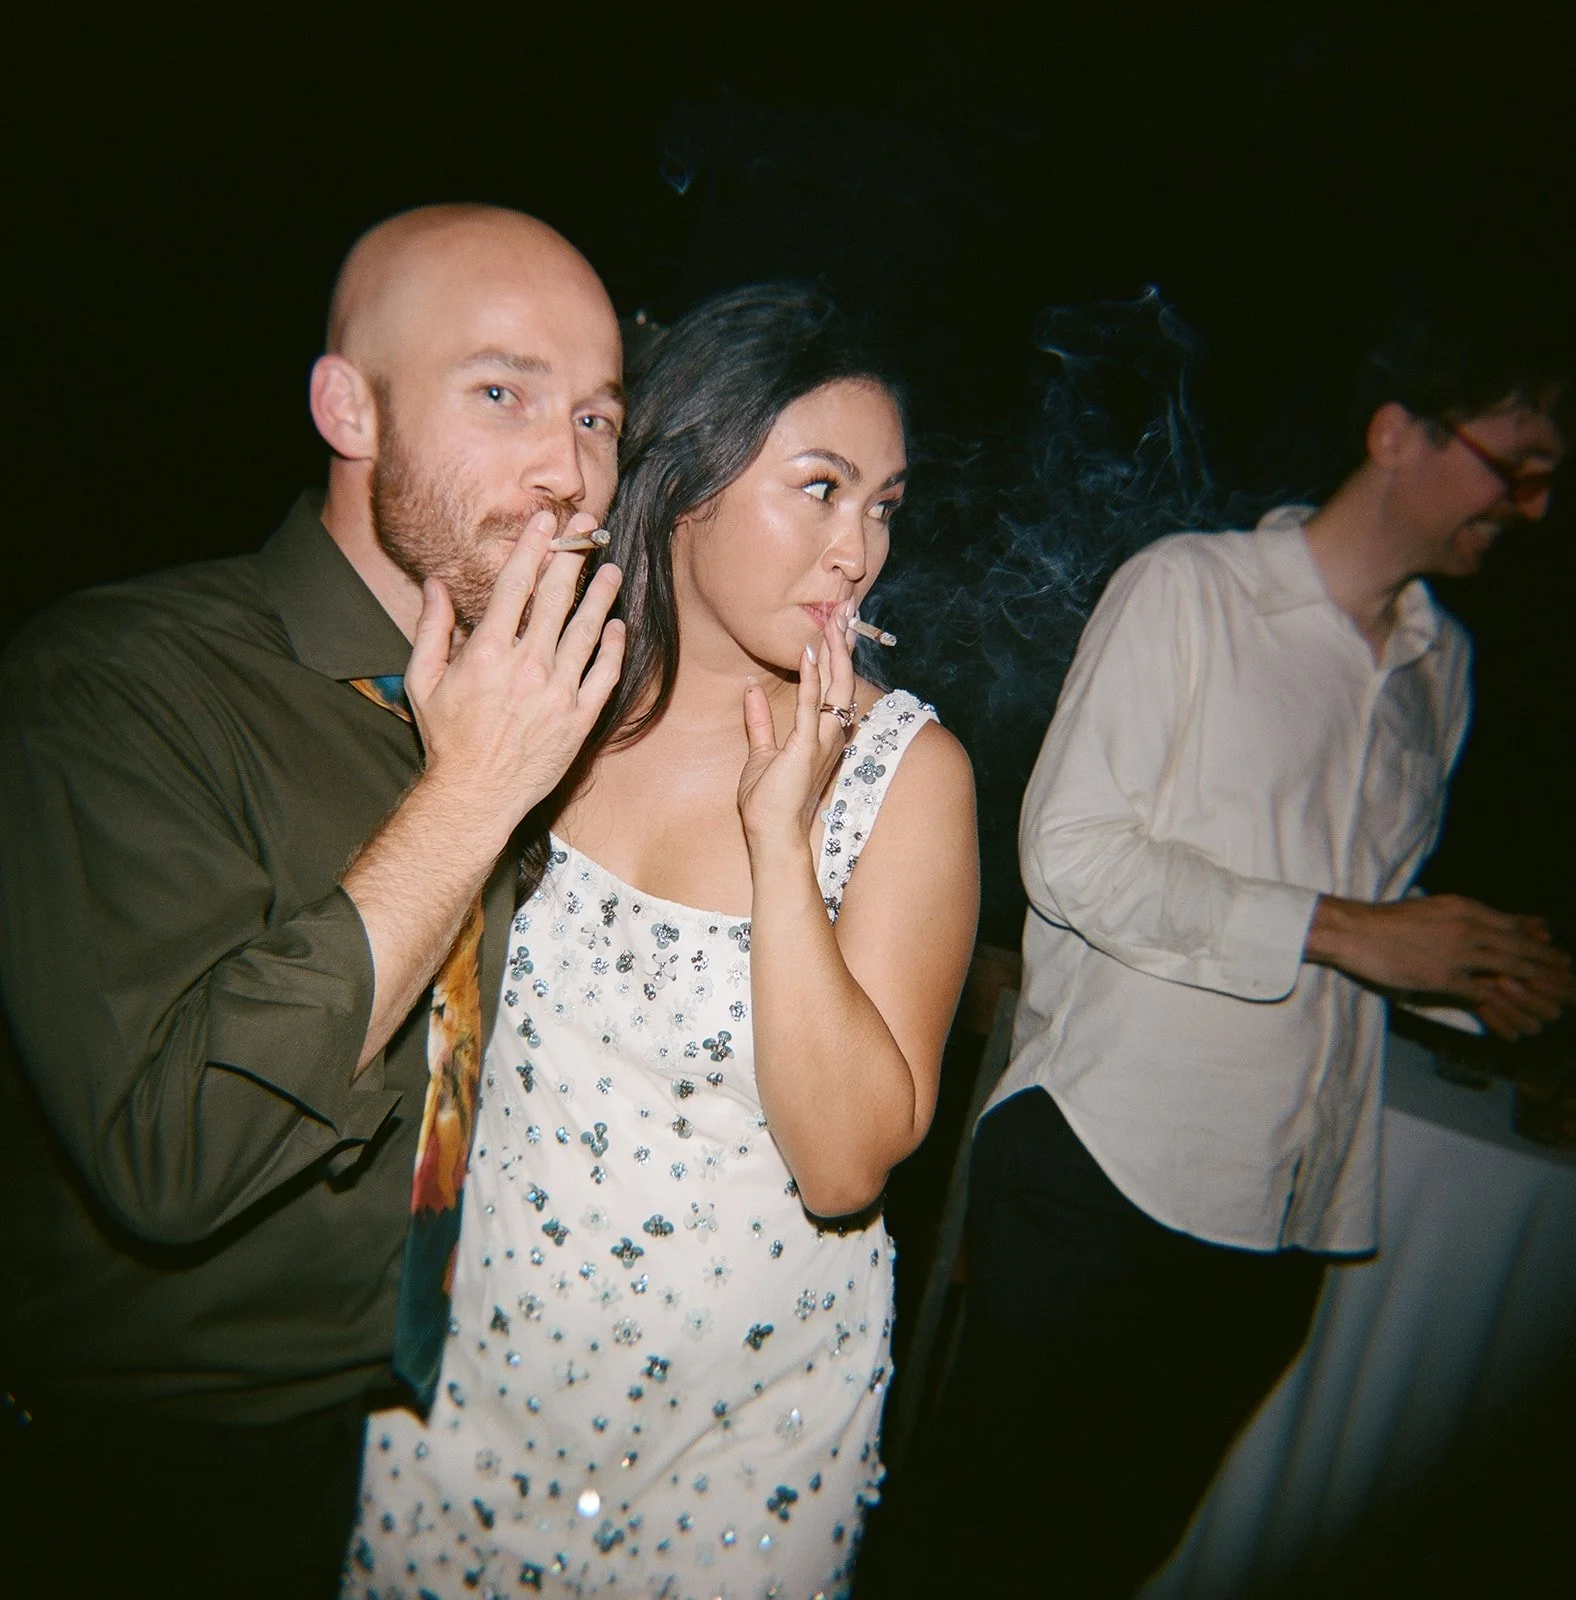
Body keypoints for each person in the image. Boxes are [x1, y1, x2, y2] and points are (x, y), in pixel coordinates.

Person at [0, 204, 629, 1599]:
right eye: (499, 392)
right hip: (152, 1467)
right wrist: (465, 805)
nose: (568, 471)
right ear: (350, 407)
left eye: (596, 415)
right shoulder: (115, 680)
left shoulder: (549, 707)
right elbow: (170, 1155)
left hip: (445, 1432)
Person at [901, 308, 1575, 1598]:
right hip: (1111, 1170)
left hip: (1295, 1211)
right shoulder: (1192, 590)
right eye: (1518, 463)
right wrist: (1357, 930)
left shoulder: (1445, 668)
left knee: (1106, 1567)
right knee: (978, 1559)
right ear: (1399, 434)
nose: (1537, 507)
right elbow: (1074, 854)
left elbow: (1361, 923)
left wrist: (1467, 969)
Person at [344, 285, 979, 1599]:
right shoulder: (545, 695)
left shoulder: (907, 774)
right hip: (470, 1390)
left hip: (736, 1441)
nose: (858, 547)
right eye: (819, 487)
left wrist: (779, 842)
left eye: (885, 503)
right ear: (687, 476)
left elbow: (849, 1161)